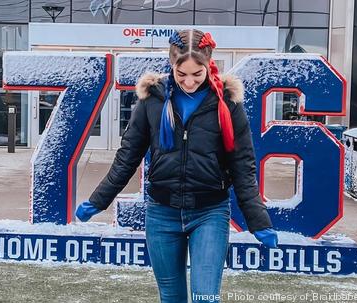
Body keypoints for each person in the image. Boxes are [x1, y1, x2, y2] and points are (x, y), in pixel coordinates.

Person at [75, 29, 278, 303]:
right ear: (172, 65)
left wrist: (258, 220)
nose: (190, 82)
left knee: (205, 296)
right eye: (182, 74)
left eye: (198, 74)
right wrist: (99, 200)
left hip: (209, 212)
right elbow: (128, 155)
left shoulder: (226, 103)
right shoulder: (152, 100)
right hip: (162, 214)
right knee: (171, 297)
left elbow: (243, 165)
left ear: (209, 65)